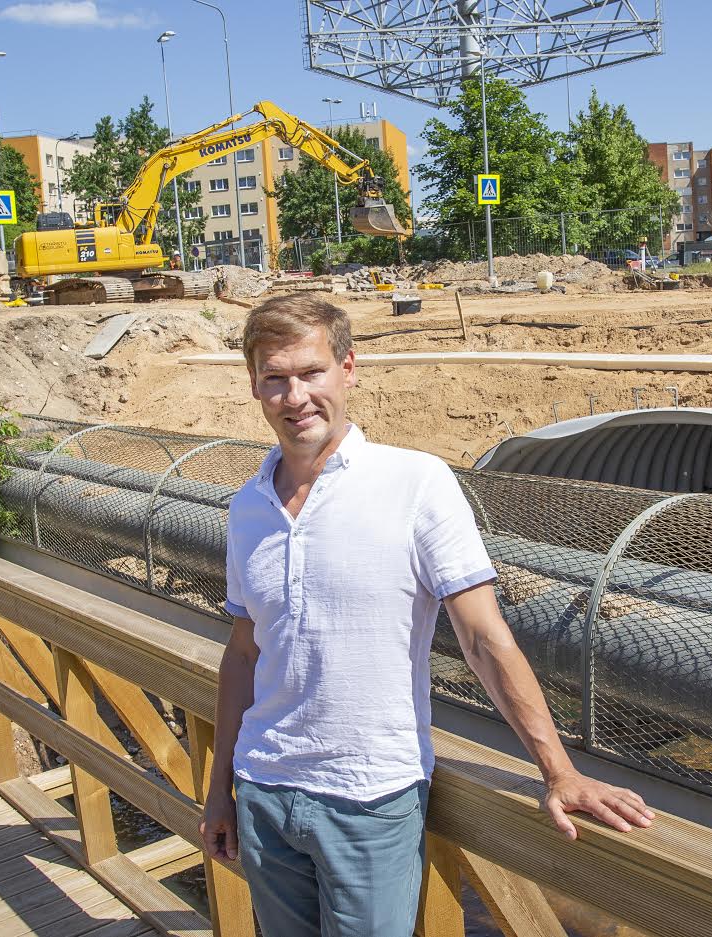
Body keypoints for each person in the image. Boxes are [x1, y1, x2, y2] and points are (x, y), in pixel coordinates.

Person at [200, 295, 655, 937]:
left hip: (370, 797)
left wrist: (559, 771)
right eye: (275, 378)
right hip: (263, 789)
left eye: (311, 373)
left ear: (349, 368)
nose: (295, 396)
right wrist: (222, 788)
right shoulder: (247, 507)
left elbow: (483, 636)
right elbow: (244, 653)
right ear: (254, 385)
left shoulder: (416, 483)